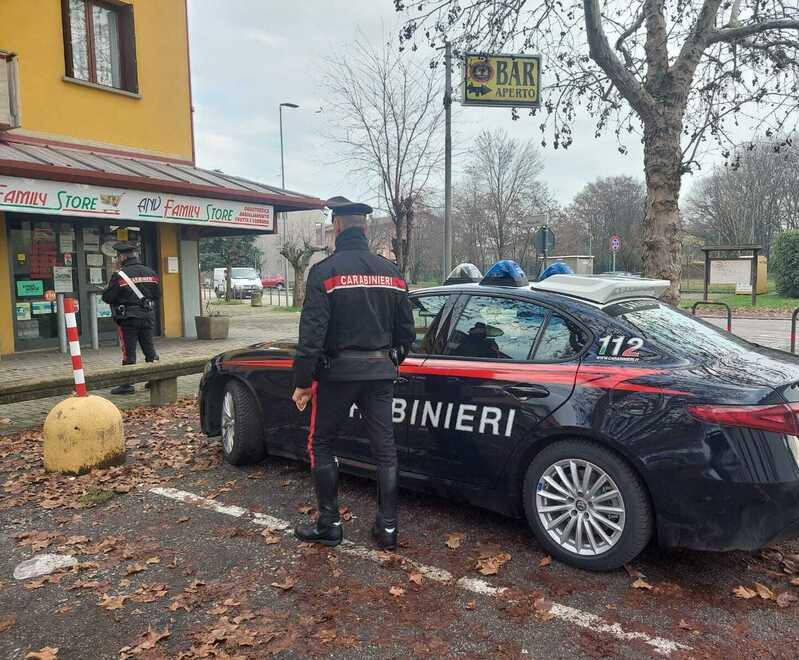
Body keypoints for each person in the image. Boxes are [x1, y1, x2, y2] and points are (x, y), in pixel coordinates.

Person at [292, 196, 415, 550]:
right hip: (380, 373)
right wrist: (390, 362)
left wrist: (302, 382)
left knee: (322, 442)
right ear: (364, 228)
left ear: (337, 228)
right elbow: (407, 333)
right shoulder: (392, 273)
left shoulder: (324, 272)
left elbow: (311, 335)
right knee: (385, 448)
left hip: (337, 375)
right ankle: (388, 528)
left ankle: (330, 523)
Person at [101, 241, 161, 395]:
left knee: (129, 350)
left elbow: (108, 297)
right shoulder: (150, 272)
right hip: (147, 315)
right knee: (149, 348)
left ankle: (127, 384)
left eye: (117, 257)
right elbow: (157, 295)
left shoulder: (120, 275)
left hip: (128, 318)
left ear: (121, 257)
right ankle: (155, 379)